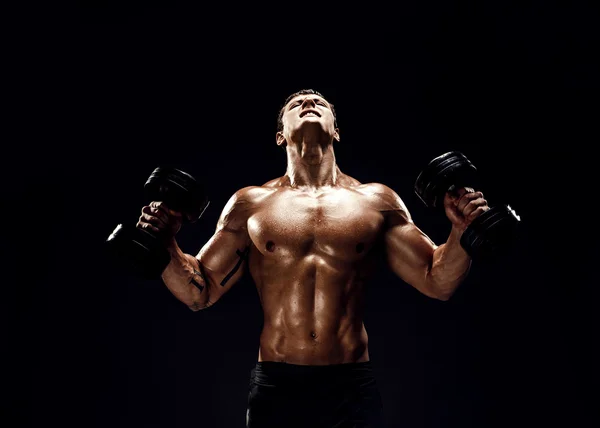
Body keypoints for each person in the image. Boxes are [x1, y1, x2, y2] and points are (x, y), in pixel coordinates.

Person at [136, 89, 489, 427]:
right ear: (279, 136)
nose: (308, 102)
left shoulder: (376, 201)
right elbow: (200, 292)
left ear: (336, 130)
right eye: (297, 103)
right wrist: (166, 243)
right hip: (278, 385)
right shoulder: (250, 204)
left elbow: (437, 280)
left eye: (319, 102)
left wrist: (460, 232)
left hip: (350, 385)